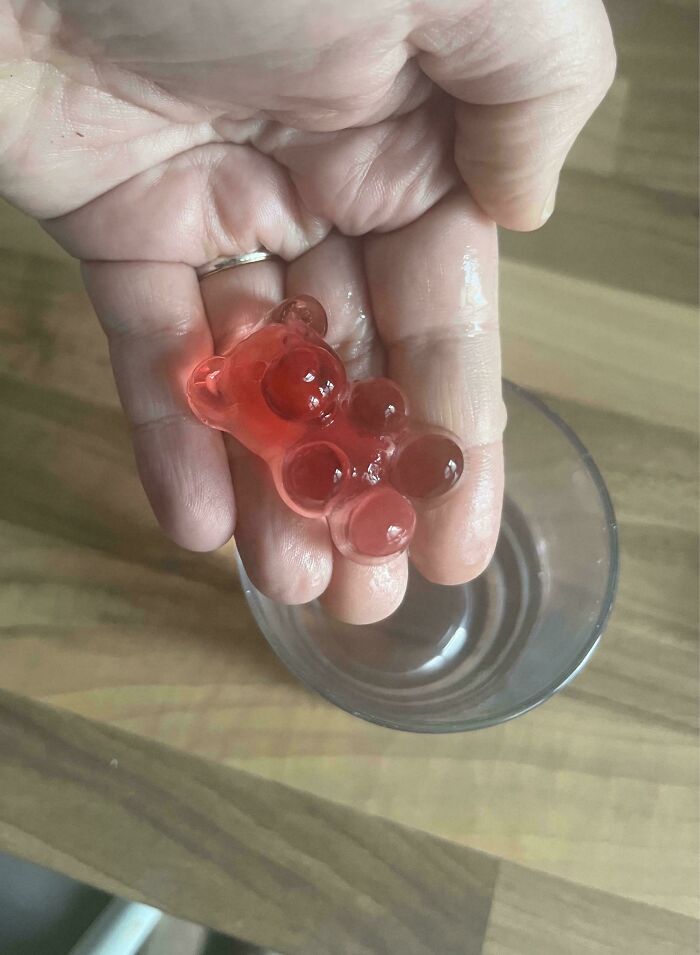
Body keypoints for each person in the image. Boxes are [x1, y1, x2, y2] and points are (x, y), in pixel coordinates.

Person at [0, 0, 616, 624]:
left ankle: (381, 480)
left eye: (297, 352)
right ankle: (357, 500)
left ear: (303, 325)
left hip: (358, 435)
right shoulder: (242, 400)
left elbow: (361, 396)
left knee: (372, 438)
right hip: (320, 464)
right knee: (310, 474)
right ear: (213, 393)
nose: (306, 377)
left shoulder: (327, 376)